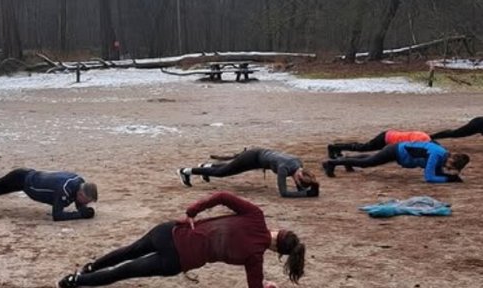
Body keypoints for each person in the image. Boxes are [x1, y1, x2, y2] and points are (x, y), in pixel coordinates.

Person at [56, 190, 306, 288]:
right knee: (127, 270)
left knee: (129, 251)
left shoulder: (256, 216)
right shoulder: (255, 258)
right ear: (278, 252)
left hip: (172, 232)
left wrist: (192, 211)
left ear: (278, 230)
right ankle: (75, 280)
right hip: (178, 260)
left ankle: (91, 267)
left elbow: (222, 195)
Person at [0, 169, 98, 221]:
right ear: (81, 192)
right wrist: (80, 214)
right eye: (86, 200)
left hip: (27, 176)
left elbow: (78, 202)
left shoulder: (79, 182)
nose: (85, 203)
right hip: (22, 180)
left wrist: (82, 210)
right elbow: (57, 215)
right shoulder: (64, 190)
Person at [178, 148, 319, 198]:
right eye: (297, 182)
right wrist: (306, 194)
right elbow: (284, 193)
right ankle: (185, 171)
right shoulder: (284, 169)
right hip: (252, 157)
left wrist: (308, 189)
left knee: (228, 168)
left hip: (259, 158)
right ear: (299, 175)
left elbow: (299, 187)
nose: (296, 183)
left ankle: (206, 167)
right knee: (222, 172)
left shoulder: (299, 164)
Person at [321, 141, 469, 182]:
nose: (447, 168)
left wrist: (448, 177)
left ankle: (345, 160)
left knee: (370, 158)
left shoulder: (442, 154)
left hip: (397, 151)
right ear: (451, 159)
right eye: (450, 167)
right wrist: (448, 179)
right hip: (395, 151)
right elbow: (429, 177)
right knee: (369, 162)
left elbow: (436, 171)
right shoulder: (436, 155)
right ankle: (331, 163)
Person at [327, 129, 431, 160]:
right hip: (386, 138)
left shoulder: (424, 137)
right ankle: (334, 147)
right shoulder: (421, 140)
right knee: (364, 147)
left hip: (390, 135)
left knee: (364, 147)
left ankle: (338, 148)